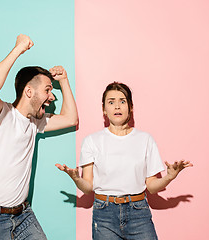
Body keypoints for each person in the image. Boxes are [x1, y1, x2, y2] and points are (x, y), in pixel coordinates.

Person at [0, 34, 78, 240]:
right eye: (47, 90)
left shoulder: (36, 122)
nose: (51, 97)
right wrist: (18, 49)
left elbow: (71, 118)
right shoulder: (1, 114)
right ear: (28, 91)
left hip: (23, 216)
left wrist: (63, 80)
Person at [56, 82, 192, 240]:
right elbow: (88, 188)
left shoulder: (145, 139)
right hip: (104, 213)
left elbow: (152, 187)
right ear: (104, 110)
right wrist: (76, 178)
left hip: (138, 212)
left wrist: (169, 176)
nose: (117, 107)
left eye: (122, 101)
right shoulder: (91, 141)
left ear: (131, 107)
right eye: (111, 102)